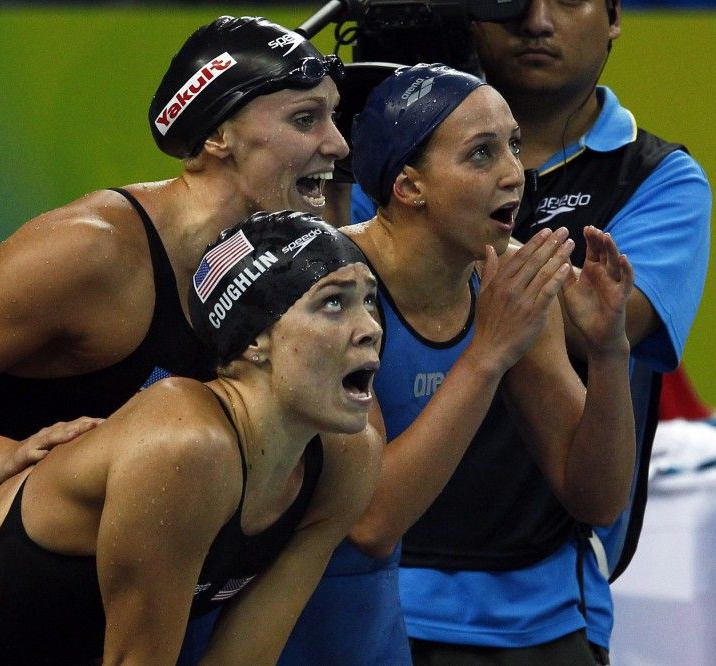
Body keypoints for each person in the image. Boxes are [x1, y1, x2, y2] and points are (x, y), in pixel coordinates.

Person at [0, 15, 357, 620]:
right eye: (305, 119)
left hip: (76, 614)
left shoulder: (279, 266)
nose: (338, 144)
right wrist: (7, 458)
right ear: (218, 135)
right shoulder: (93, 252)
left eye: (334, 117)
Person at [184, 63, 639, 665]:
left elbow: (595, 498)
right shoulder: (326, 286)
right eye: (481, 155)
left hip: (388, 620)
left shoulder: (503, 283)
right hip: (280, 613)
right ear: (408, 185)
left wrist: (609, 352)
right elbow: (371, 521)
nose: (514, 174)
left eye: (513, 146)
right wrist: (488, 353)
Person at [0, 210, 384, 665]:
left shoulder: (347, 459)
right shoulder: (186, 442)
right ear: (254, 341)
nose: (370, 328)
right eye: (333, 303)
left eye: (369, 301)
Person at [389, 1, 712, 663]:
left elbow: (601, 320)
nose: (536, 19)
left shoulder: (659, 179)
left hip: (544, 605)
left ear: (615, 16)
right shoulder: (388, 154)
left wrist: (439, 251)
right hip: (379, 587)